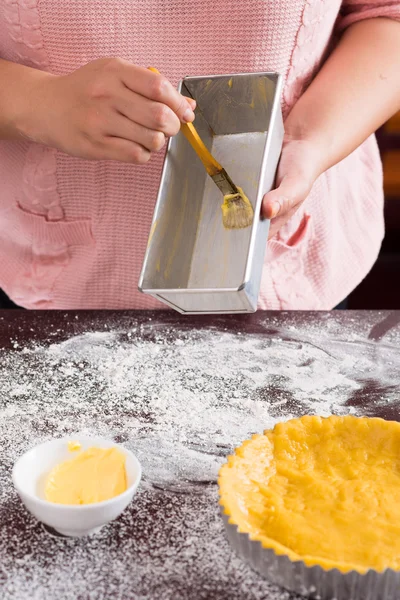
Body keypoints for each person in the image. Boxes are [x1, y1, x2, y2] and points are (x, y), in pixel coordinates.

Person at [0, 1, 399, 310]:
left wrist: (311, 142)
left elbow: (387, 14)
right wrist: (38, 102)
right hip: (47, 279)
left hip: (296, 271)